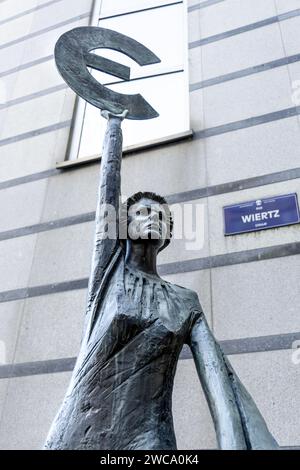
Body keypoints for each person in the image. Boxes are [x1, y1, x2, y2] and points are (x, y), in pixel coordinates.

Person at [44, 111, 278, 450]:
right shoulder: (110, 276)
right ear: (122, 226)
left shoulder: (185, 302)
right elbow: (107, 195)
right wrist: (113, 127)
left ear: (167, 233)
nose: (151, 217)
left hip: (147, 439)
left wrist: (232, 441)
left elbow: (220, 379)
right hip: (78, 430)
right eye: (141, 212)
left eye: (160, 215)